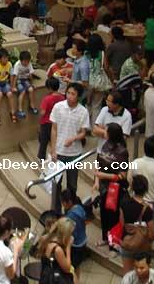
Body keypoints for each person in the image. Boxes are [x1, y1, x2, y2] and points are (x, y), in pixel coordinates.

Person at [48, 83, 90, 212]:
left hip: (74, 154)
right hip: (59, 152)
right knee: (56, 184)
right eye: (68, 93)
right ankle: (56, 211)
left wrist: (74, 138)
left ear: (78, 96)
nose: (69, 96)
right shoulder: (58, 107)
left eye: (73, 94)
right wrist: (53, 149)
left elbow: (83, 132)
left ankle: (70, 211)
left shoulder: (83, 111)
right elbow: (54, 129)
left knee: (72, 185)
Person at [94, 123, 129, 248]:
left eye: (106, 130)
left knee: (113, 216)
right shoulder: (105, 145)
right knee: (104, 213)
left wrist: (104, 176)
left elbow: (122, 175)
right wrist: (97, 180)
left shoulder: (122, 152)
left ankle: (113, 241)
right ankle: (105, 238)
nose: (104, 132)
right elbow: (99, 163)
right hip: (103, 188)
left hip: (114, 189)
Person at [119, 175, 154, 273]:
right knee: (141, 274)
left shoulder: (124, 203)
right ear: (146, 189)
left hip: (127, 242)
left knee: (127, 274)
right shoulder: (147, 209)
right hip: (141, 246)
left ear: (132, 188)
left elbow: (121, 224)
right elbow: (152, 233)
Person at [37, 77, 65, 161]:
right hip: (57, 123)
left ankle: (41, 157)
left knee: (43, 141)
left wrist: (39, 121)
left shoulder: (47, 99)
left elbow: (42, 112)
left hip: (46, 123)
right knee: (55, 140)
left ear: (49, 88)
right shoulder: (62, 98)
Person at [59, 189, 87, 267]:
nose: (62, 204)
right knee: (77, 267)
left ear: (69, 202)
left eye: (63, 202)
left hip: (76, 246)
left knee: (72, 268)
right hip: (83, 241)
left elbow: (70, 234)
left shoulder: (71, 216)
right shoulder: (79, 208)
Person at [0, 47, 15, 125]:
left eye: (7, 58)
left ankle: (12, 112)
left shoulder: (9, 64)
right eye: (4, 58)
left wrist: (11, 86)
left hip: (5, 83)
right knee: (0, 94)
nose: (6, 60)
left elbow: (11, 76)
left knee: (10, 94)